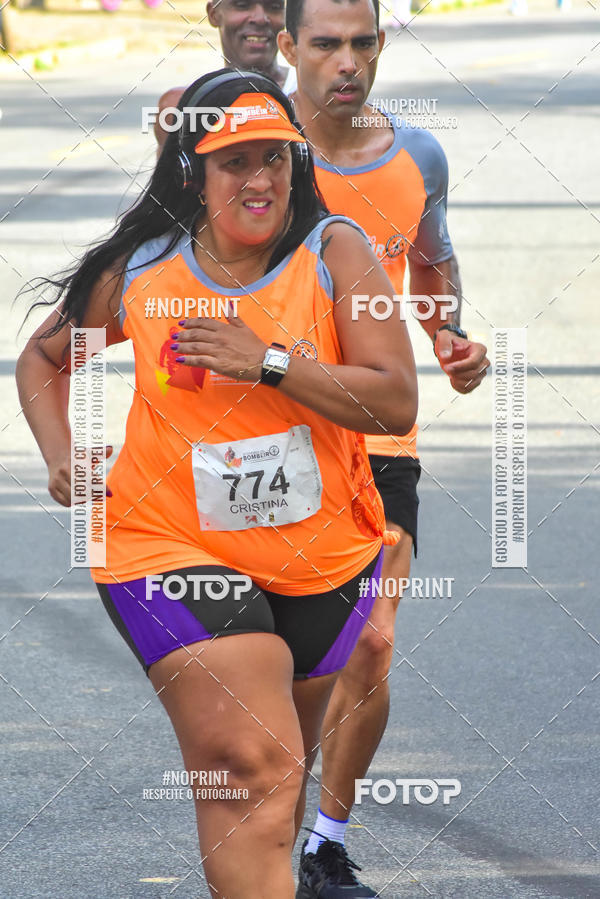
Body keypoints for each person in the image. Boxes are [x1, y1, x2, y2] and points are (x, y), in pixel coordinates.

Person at [15, 70, 418, 898]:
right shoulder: (143, 268)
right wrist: (61, 452)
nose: (260, 179)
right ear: (193, 172)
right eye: (235, 161)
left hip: (322, 558)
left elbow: (395, 399)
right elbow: (45, 359)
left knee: (275, 786)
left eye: (275, 157)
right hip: (163, 542)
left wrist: (268, 361)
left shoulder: (334, 251)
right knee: (251, 763)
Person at [279, 1, 490, 894]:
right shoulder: (254, 151)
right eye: (325, 44)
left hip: (376, 429)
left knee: (368, 642)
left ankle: (323, 845)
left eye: (363, 43)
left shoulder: (418, 156)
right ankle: (261, 844)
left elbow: (431, 262)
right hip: (273, 431)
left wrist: (449, 336)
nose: (347, 61)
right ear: (288, 46)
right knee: (284, 661)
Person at [154, 0, 296, 151]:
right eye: (242, 5)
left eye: (275, 7)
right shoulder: (183, 109)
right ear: (213, 14)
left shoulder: (305, 98)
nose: (260, 18)